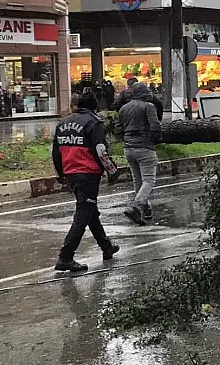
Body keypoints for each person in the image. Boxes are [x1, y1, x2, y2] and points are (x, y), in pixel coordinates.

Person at [51, 91, 119, 272]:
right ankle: (65, 257)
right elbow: (100, 150)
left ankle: (106, 247)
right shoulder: (93, 123)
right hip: (87, 174)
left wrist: (61, 174)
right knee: (82, 215)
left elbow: (56, 151)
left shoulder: (63, 123)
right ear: (94, 106)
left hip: (70, 173)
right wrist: (112, 170)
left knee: (90, 211)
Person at [118, 81, 162, 223]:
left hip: (128, 148)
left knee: (138, 180)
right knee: (149, 180)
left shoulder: (124, 108)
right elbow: (155, 125)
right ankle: (136, 207)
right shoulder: (148, 106)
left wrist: (125, 137)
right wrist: (156, 139)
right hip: (145, 146)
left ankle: (145, 209)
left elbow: (118, 128)